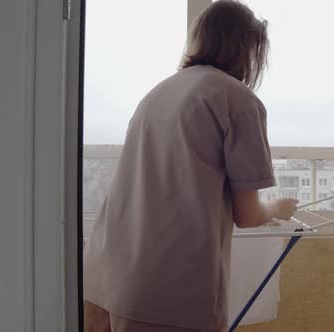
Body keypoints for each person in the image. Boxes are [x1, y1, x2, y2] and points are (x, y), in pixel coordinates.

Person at [83, 1, 298, 331]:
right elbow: (249, 214)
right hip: (169, 289)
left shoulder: (157, 93)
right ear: (249, 50)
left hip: (104, 272)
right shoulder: (237, 100)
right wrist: (278, 208)